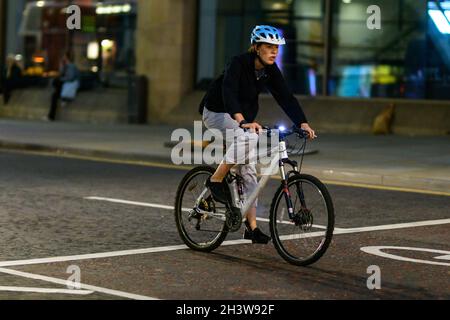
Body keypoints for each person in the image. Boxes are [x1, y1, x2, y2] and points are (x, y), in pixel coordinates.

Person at [199, 25, 316, 244]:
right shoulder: (238, 63)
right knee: (249, 137)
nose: (274, 52)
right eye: (269, 47)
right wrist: (242, 120)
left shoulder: (270, 70)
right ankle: (215, 180)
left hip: (241, 119)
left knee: (249, 171)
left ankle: (251, 228)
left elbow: (286, 97)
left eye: (276, 48)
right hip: (217, 111)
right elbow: (229, 91)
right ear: (256, 47)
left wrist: (302, 122)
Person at [47, 52, 80, 121]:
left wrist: (61, 79)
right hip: (64, 85)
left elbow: (70, 77)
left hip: (67, 85)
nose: (62, 58)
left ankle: (51, 116)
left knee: (55, 95)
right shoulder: (66, 66)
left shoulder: (70, 66)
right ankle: (51, 115)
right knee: (55, 94)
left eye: (64, 57)